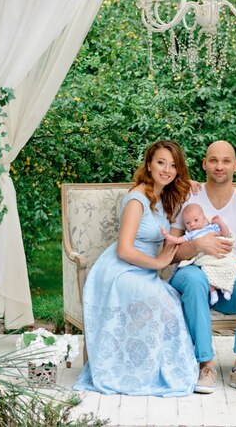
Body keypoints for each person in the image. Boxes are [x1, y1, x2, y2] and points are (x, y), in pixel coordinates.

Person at [73, 140, 198, 397]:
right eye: (161, 162)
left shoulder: (166, 197)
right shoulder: (137, 199)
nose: (166, 169)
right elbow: (124, 249)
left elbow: (174, 236)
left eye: (173, 165)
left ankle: (153, 369)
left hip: (143, 271)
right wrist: (158, 263)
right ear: (149, 165)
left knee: (170, 301)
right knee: (163, 302)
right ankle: (133, 372)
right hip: (120, 270)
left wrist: (194, 187)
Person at [169, 140, 236, 395]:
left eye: (226, 161)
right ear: (204, 164)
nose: (219, 166)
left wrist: (222, 275)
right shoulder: (188, 196)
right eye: (213, 160)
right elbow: (172, 254)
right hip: (193, 275)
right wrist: (199, 247)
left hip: (227, 281)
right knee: (194, 279)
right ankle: (206, 364)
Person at [161, 203, 236, 305]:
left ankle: (228, 289)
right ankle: (213, 292)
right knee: (206, 273)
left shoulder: (211, 227)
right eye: (188, 223)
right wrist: (168, 236)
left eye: (195, 220)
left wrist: (220, 222)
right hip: (205, 259)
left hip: (218, 256)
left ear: (203, 219)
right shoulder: (190, 234)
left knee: (229, 267)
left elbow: (225, 233)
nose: (192, 224)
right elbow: (178, 240)